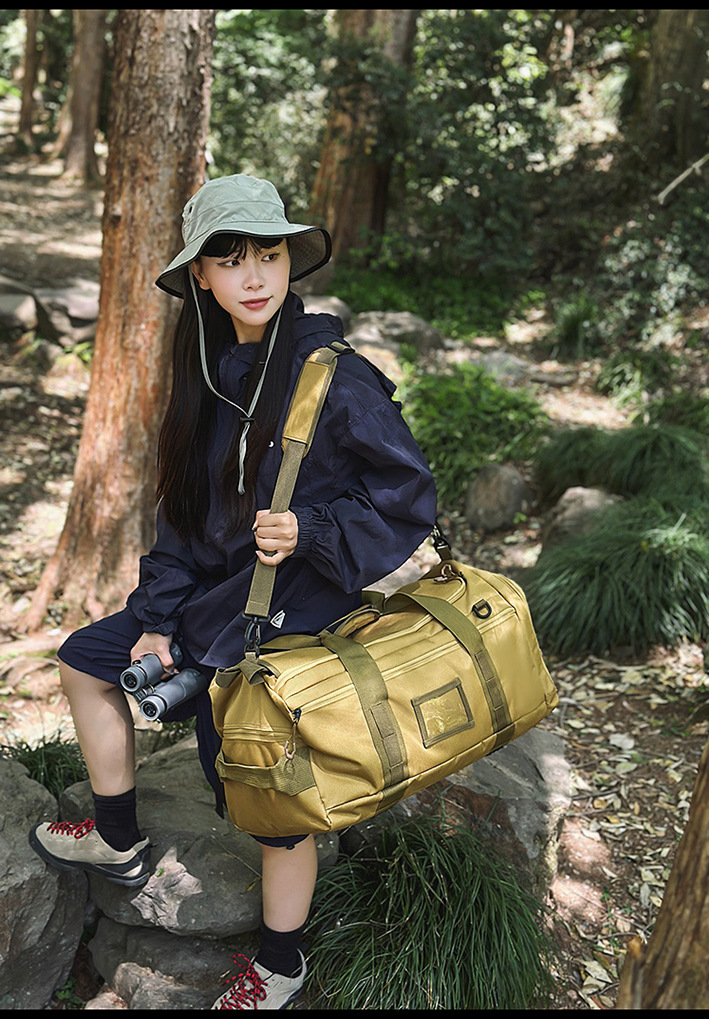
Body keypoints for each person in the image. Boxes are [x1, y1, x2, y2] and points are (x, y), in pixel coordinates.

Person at [27, 174, 437, 1009]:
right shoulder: (208, 372)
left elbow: (408, 500)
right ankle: (117, 837)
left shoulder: (334, 375)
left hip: (296, 606)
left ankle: (281, 963)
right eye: (231, 258)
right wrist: (154, 621)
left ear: (290, 263)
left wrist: (311, 530)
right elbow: (181, 515)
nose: (254, 275)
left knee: (263, 790)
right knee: (87, 659)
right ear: (202, 276)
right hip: (210, 601)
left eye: (269, 255)